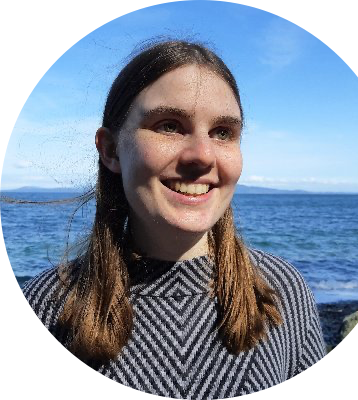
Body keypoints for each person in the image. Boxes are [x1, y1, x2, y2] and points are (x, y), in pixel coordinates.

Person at [22, 39, 326, 398]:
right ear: (110, 149)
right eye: (169, 126)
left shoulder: (282, 293)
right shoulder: (50, 306)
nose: (202, 155)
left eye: (223, 132)